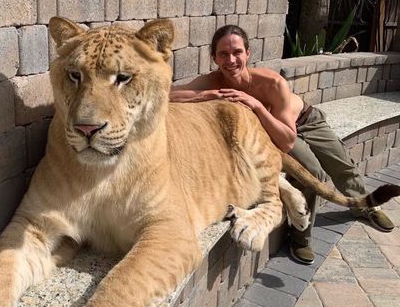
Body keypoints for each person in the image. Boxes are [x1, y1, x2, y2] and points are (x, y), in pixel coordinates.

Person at [169, 25, 394, 265]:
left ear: (248, 53)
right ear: (213, 57)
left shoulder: (271, 83)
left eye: (237, 52)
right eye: (223, 54)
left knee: (340, 162)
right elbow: (169, 94)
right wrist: (207, 95)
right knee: (313, 172)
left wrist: (255, 105)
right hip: (267, 134)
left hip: (301, 122)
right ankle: (301, 238)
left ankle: (366, 206)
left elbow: (287, 140)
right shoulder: (212, 81)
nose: (231, 60)